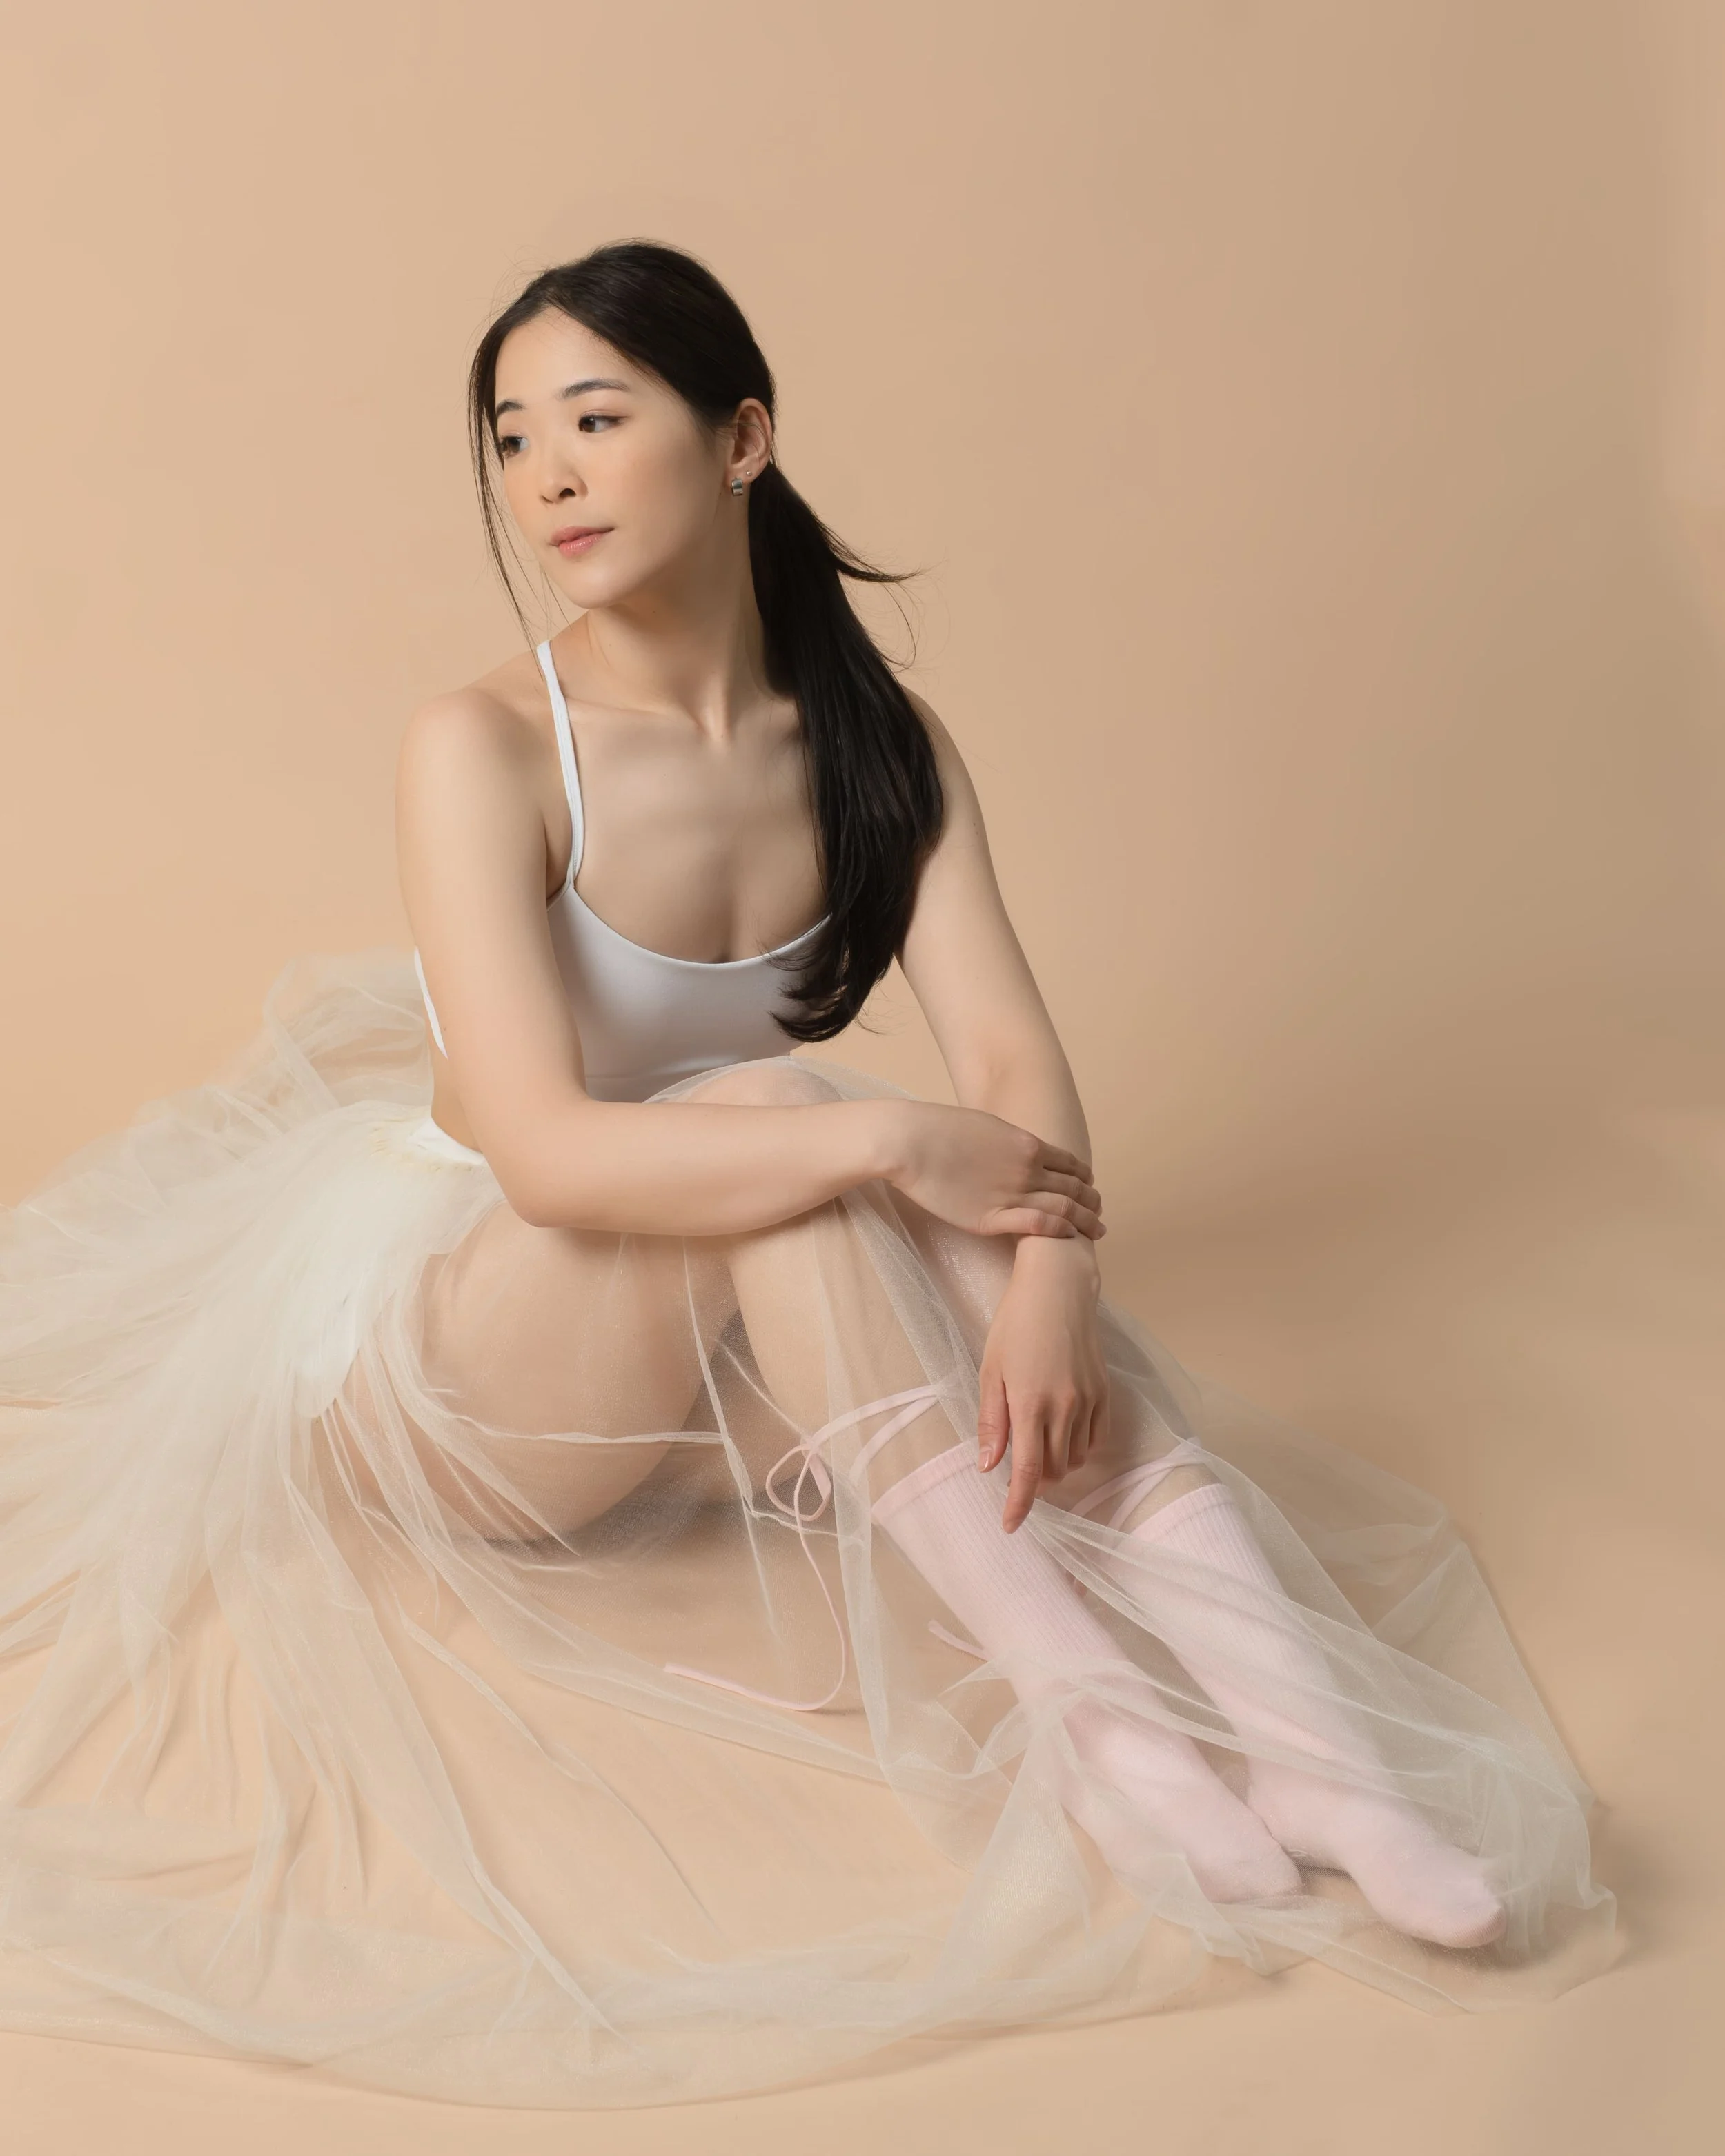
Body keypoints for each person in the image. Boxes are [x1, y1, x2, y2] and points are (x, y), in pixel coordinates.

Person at [0, 240, 1615, 2110]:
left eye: (597, 420)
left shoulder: (874, 746)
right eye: (513, 439)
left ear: (740, 435)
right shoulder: (485, 744)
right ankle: (1097, 1724)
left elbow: (1010, 1063)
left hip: (719, 1346)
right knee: (796, 1122)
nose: (547, 479)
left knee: (915, 1217)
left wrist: (1051, 1283)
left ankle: (1309, 1746)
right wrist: (884, 1130)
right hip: (463, 1366)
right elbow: (540, 1147)